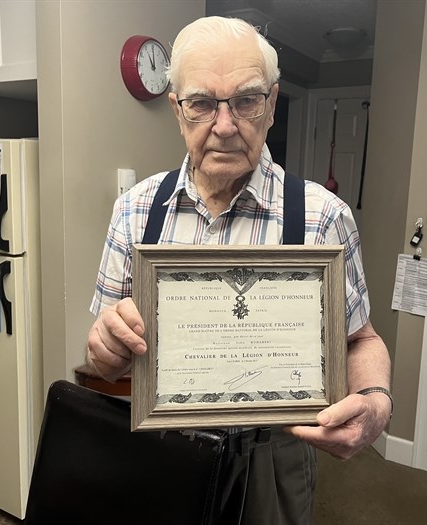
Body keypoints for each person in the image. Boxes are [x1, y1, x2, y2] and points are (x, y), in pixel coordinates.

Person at [87, 16, 391, 525]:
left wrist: (375, 401)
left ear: (271, 105)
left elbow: (361, 340)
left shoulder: (323, 217)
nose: (224, 125)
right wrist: (104, 347)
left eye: (246, 101)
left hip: (274, 458)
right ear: (177, 110)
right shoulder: (136, 210)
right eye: (202, 103)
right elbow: (104, 355)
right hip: (162, 452)